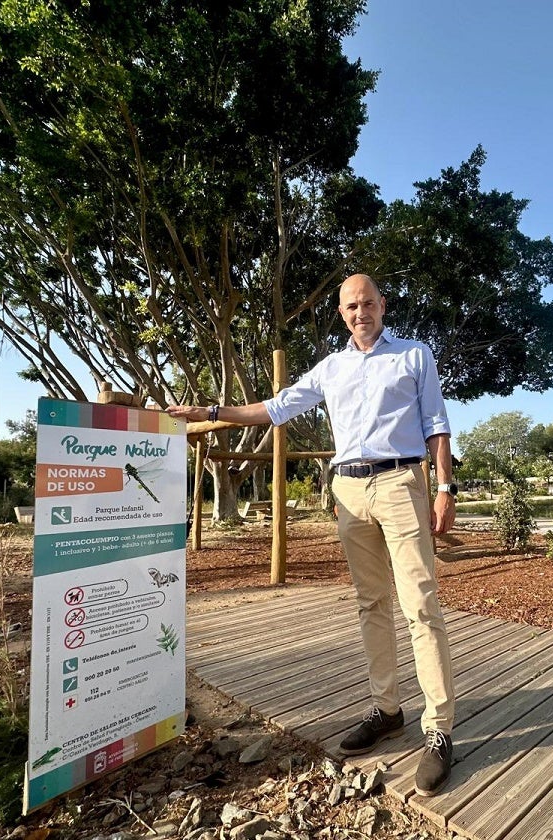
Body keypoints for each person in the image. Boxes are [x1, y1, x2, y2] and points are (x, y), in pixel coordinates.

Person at [167, 273, 457, 795]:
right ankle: (387, 709)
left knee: (420, 605)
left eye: (368, 302)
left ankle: (438, 731)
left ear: (382, 305)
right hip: (347, 490)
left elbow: (436, 423)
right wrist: (213, 412)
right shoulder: (331, 366)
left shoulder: (414, 354)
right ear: (342, 313)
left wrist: (444, 488)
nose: (359, 311)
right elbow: (275, 409)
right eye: (350, 305)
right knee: (371, 604)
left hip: (400, 481)